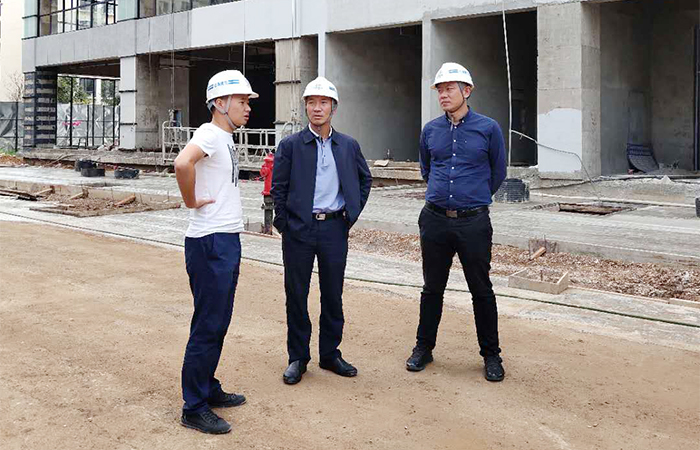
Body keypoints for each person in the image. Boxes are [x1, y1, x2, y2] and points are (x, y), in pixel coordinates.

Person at [405, 62, 507, 382]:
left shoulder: (488, 129)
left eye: (449, 88)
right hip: (434, 219)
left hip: (473, 222)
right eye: (440, 90)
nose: (443, 95)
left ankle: (491, 355)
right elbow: (427, 169)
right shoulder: (430, 130)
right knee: (432, 288)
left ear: (467, 91)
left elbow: (498, 172)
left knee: (481, 289)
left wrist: (472, 197)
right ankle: (424, 347)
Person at [271, 76, 372, 385]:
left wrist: (350, 214)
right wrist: (285, 224)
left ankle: (330, 354)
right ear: (305, 107)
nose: (317, 108)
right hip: (299, 231)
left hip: (333, 229)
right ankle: (298, 357)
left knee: (332, 293)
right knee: (296, 294)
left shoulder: (348, 145)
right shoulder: (291, 145)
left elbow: (364, 179)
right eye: (312, 103)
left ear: (333, 108)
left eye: (323, 103)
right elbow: (278, 187)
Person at [174, 70, 257, 434]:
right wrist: (191, 200)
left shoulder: (225, 137)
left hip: (224, 238)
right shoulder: (209, 133)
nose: (247, 107)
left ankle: (207, 386)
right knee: (208, 323)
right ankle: (193, 406)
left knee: (218, 320)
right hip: (210, 241)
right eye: (242, 101)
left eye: (247, 102)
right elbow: (182, 163)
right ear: (220, 103)